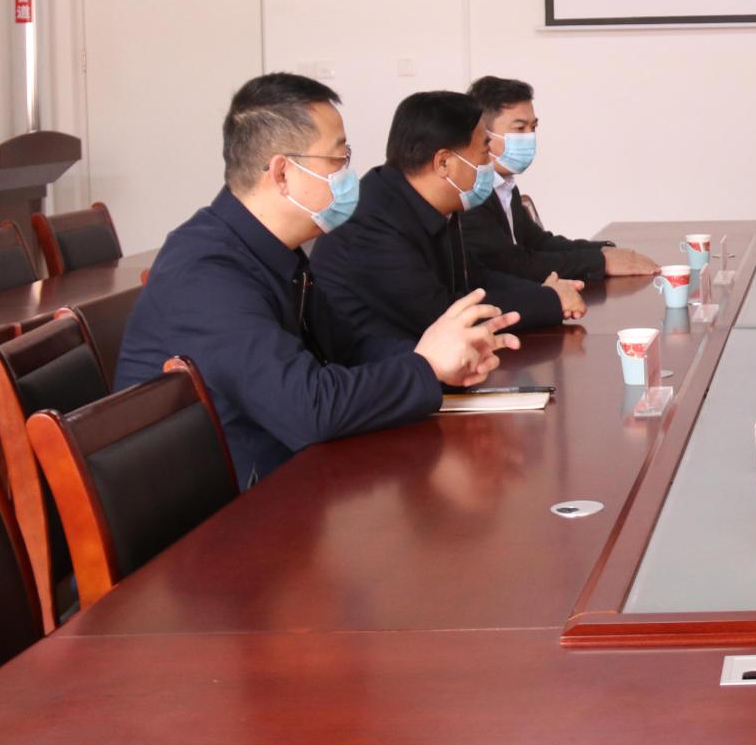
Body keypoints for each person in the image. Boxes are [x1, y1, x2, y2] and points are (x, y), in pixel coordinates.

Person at [116, 74, 521, 488]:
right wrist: (425, 366)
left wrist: (444, 361)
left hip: (284, 476)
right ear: (282, 173)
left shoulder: (274, 251)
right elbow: (309, 408)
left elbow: (350, 346)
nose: (348, 175)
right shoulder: (206, 273)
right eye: (338, 160)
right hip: (228, 507)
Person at [312, 90, 583, 341]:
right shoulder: (369, 221)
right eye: (484, 153)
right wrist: (549, 301)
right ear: (443, 163)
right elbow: (439, 315)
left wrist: (544, 293)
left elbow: (476, 278)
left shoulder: (432, 204)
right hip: (376, 368)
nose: (489, 164)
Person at [461, 76, 658, 283]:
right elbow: (512, 264)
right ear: (482, 133)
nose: (530, 137)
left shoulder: (504, 184)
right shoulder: (471, 193)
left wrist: (604, 251)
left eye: (533, 127)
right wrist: (600, 262)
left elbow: (539, 243)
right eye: (519, 129)